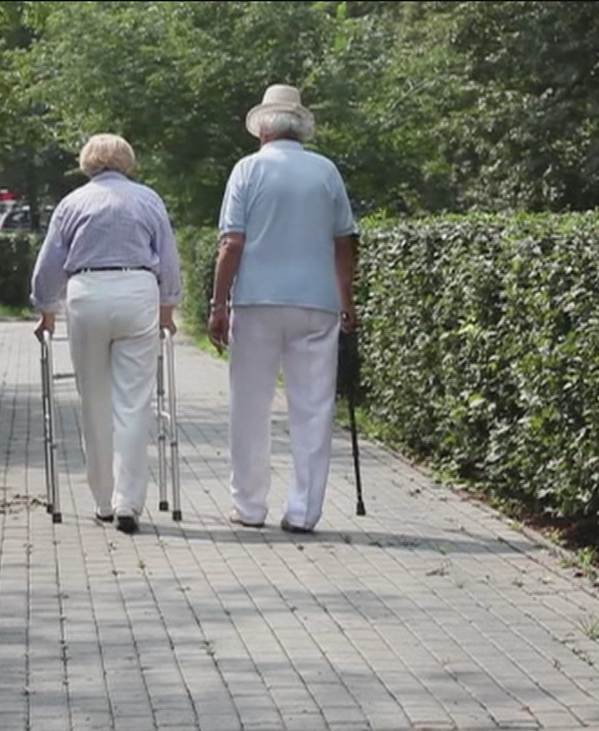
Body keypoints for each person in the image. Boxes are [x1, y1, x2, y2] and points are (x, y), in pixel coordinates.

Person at [207, 84, 358, 535]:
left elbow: (231, 242)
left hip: (257, 302)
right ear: (300, 128)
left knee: (249, 405)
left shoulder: (247, 170)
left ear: (262, 131)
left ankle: (250, 506)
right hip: (317, 303)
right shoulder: (326, 171)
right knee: (312, 407)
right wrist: (346, 302)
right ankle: (303, 512)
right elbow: (344, 243)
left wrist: (219, 304)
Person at [30, 134, 181, 535]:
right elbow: (168, 257)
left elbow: (50, 265)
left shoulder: (72, 203)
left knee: (94, 399)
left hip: (88, 292)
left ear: (88, 162)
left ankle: (102, 500)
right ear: (127, 161)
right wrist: (168, 307)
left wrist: (46, 309)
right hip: (138, 292)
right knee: (133, 402)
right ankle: (127, 501)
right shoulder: (148, 199)